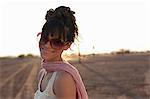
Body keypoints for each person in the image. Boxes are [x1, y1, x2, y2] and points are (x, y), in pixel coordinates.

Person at [34, 6, 88, 99]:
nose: (47, 45)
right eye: (44, 38)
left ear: (67, 45)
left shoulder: (63, 78)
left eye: (56, 42)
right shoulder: (42, 74)